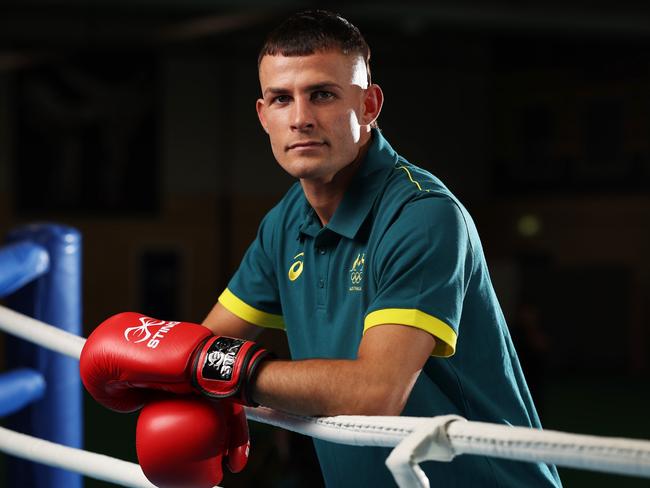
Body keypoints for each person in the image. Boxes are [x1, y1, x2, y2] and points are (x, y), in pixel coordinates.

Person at [80, 10, 562, 487]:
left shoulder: (422, 214)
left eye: (323, 95)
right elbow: (207, 343)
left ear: (369, 105)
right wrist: (181, 375)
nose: (301, 119)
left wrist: (224, 370)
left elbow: (376, 392)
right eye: (282, 99)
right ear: (263, 116)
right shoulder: (285, 223)